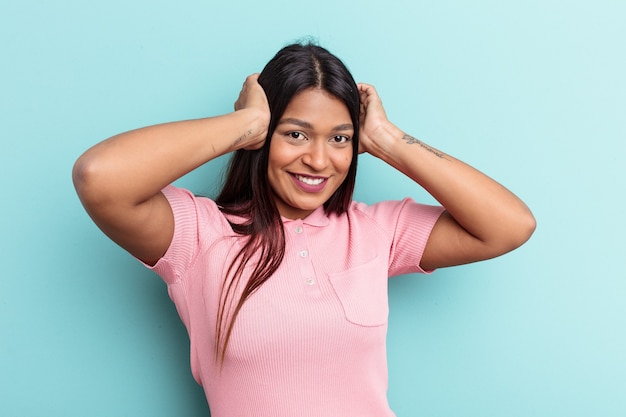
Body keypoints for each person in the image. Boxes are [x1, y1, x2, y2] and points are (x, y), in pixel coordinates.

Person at [73, 43, 535, 416]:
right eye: (295, 133)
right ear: (263, 138)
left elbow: (510, 226)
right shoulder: (199, 235)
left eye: (340, 138)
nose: (318, 160)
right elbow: (99, 177)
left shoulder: (376, 231)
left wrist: (388, 140)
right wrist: (246, 123)